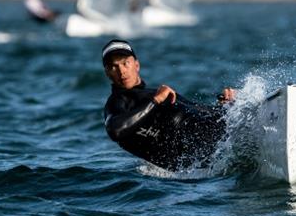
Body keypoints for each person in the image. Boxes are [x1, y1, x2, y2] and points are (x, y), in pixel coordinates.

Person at [101, 39, 237, 171]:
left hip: (225, 138)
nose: (121, 71)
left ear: (137, 65)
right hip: (212, 154)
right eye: (114, 66)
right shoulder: (118, 101)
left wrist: (224, 105)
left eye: (126, 63)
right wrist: (155, 101)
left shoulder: (154, 92)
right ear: (107, 72)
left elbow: (196, 109)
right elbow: (116, 129)